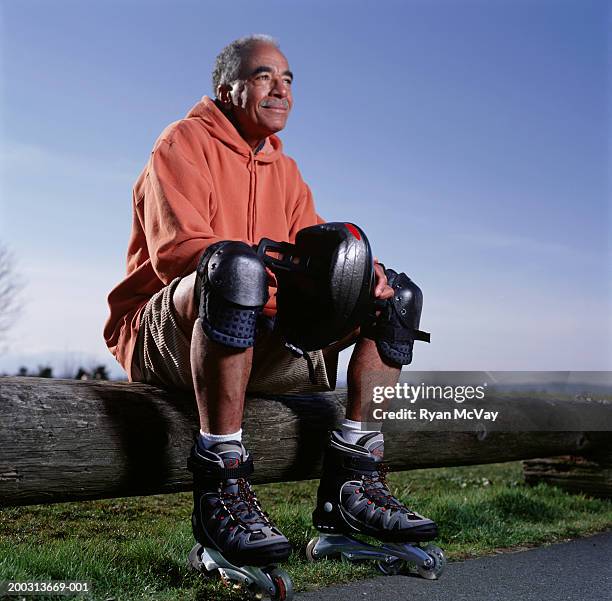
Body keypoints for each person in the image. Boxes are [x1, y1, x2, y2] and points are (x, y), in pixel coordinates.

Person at [104, 34, 437, 571]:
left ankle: (355, 482)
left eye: (288, 80)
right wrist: (274, 277)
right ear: (226, 88)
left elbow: (317, 267)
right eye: (264, 76)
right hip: (166, 337)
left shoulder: (288, 173)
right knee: (232, 268)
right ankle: (221, 481)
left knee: (396, 297)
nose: (280, 89)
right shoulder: (181, 142)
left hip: (258, 339)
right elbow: (179, 257)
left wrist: (356, 283)